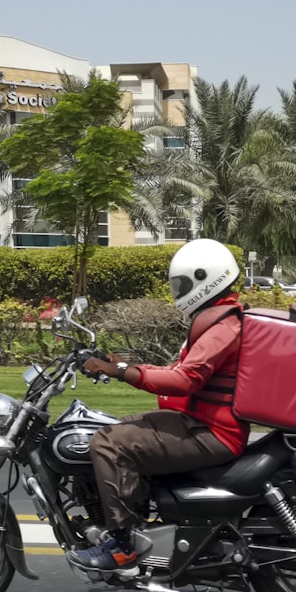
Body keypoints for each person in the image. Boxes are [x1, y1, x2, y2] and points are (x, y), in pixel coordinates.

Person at [68, 238, 251, 572]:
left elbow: (184, 380)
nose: (178, 291)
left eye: (182, 284)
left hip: (212, 431)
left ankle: (123, 547)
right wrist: (121, 363)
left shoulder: (224, 327)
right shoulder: (218, 319)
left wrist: (119, 371)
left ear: (203, 278)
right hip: (197, 421)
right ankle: (138, 521)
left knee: (107, 443)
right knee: (115, 428)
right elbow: (177, 372)